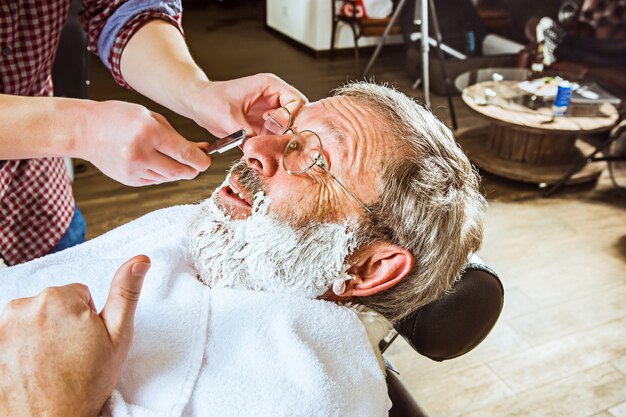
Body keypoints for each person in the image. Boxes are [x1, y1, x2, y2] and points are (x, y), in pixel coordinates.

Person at [0, 82, 487, 416]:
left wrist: (49, 404)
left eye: (315, 160)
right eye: (287, 133)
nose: (255, 148)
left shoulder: (306, 399)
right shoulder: (221, 239)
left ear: (367, 266)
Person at [0, 0, 307, 266]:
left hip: (37, 204)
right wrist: (78, 128)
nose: (256, 153)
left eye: (317, 160)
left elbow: (120, 8)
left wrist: (194, 91)